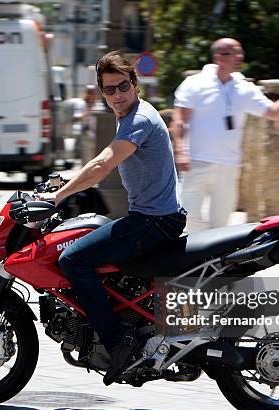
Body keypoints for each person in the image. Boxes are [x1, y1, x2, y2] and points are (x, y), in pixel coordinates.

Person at [38, 51, 185, 385]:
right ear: (101, 93)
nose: (117, 95)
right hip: (155, 217)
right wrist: (63, 182)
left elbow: (103, 165)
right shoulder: (132, 115)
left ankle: (118, 342)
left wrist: (58, 198)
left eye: (122, 86)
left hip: (153, 222)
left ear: (134, 84)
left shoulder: (139, 120)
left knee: (73, 260)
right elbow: (99, 162)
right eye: (109, 90)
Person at [172, 37, 279, 232]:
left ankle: (212, 259)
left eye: (241, 52)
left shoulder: (243, 88)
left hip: (229, 165)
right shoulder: (195, 83)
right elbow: (179, 119)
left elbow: (274, 113)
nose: (240, 57)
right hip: (196, 161)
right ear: (219, 57)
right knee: (186, 216)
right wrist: (180, 151)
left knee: (221, 224)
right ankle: (193, 250)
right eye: (234, 53)